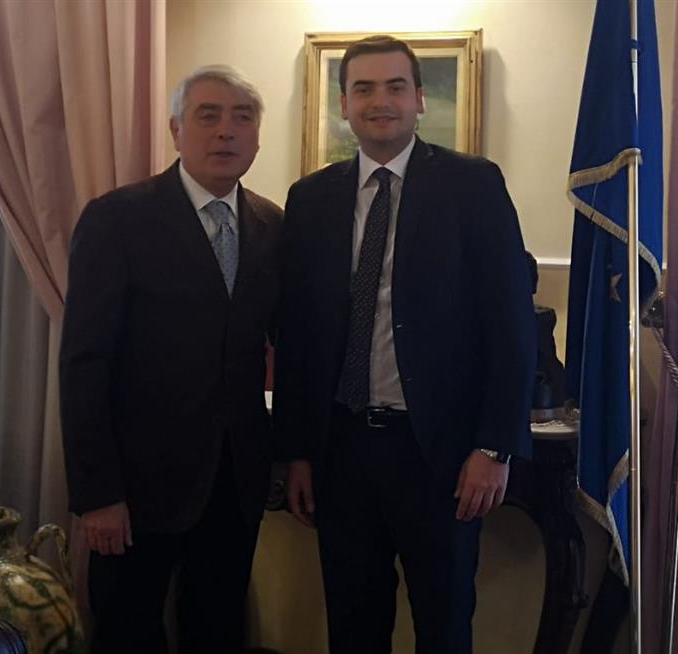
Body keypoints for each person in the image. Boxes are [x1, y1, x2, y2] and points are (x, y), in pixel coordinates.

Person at [274, 36, 536, 653]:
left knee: (443, 627)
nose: (380, 101)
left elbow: (509, 325)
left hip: (439, 456)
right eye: (363, 89)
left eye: (395, 86)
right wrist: (297, 453)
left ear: (418, 98)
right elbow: (298, 336)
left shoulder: (472, 186)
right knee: (353, 626)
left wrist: (494, 446)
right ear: (344, 103)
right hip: (342, 452)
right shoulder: (310, 199)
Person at [59, 65, 282, 654]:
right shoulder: (117, 219)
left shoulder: (272, 225)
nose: (226, 131)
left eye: (242, 118)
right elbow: (84, 363)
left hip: (235, 481)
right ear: (176, 129)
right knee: (127, 634)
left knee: (219, 632)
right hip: (135, 487)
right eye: (208, 116)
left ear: (257, 136)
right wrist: (97, 493)